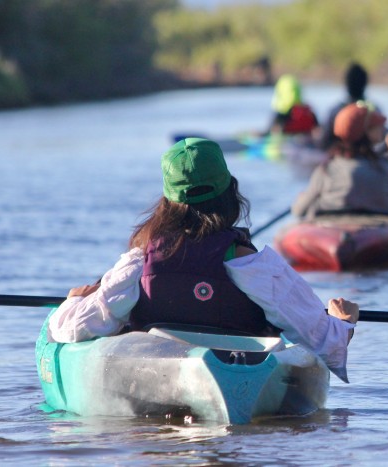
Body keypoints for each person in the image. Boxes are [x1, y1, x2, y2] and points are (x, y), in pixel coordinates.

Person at [47, 138, 359, 382]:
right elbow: (325, 342)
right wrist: (343, 322)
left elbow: (68, 329)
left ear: (168, 201)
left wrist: (72, 303)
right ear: (230, 191)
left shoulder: (137, 263)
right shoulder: (254, 265)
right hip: (238, 371)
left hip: (158, 375)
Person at [291, 101, 388, 221]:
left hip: (332, 225)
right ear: (367, 134)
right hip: (378, 229)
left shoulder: (327, 169)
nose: (382, 128)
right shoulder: (385, 169)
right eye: (375, 126)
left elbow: (298, 210)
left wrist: (302, 198)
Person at [319, 62, 380, 150]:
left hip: (342, 155)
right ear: (365, 83)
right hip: (363, 155)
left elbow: (323, 142)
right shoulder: (375, 110)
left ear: (346, 84)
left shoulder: (335, 111)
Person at [266, 74, 320, 138]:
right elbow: (318, 132)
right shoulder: (309, 113)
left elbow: (270, 135)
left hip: (286, 145)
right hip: (306, 144)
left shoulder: (281, 115)